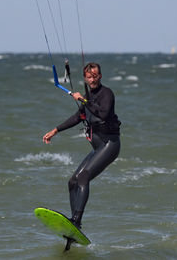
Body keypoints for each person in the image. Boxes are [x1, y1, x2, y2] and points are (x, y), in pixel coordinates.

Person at [43, 62, 121, 228]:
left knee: (84, 177)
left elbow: (104, 113)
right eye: (89, 77)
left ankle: (77, 220)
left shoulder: (106, 93)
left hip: (110, 144)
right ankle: (74, 223)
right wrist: (55, 130)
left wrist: (84, 100)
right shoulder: (89, 96)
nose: (92, 79)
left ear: (100, 76)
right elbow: (78, 117)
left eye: (95, 76)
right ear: (85, 78)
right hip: (99, 148)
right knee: (73, 182)